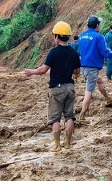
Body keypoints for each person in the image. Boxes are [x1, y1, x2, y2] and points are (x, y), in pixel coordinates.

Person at [24, 21, 81, 152]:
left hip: (56, 88)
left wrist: (32, 72)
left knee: (55, 118)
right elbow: (77, 72)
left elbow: (43, 70)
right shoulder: (74, 53)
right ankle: (68, 143)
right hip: (70, 88)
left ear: (57, 36)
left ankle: (57, 145)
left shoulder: (53, 52)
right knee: (69, 116)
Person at [78, 15, 112, 120]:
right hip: (92, 68)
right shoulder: (99, 37)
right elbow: (106, 53)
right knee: (88, 91)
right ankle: (82, 115)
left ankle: (108, 99)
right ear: (97, 25)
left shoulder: (81, 36)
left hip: (83, 67)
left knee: (99, 81)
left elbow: (80, 51)